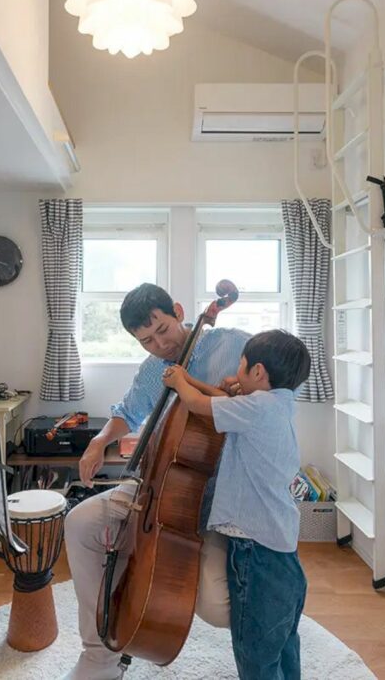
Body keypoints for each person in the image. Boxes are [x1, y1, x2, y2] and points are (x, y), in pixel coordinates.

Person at [61, 283, 249, 680]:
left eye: (162, 330)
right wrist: (98, 442)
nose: (159, 345)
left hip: (216, 494)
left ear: (178, 311)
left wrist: (241, 392)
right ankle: (101, 654)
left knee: (216, 608)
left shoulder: (234, 346)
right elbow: (128, 411)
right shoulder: (153, 370)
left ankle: (272, 622)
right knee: (79, 522)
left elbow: (279, 385)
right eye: (145, 340)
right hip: (157, 482)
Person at [162, 329, 310, 680]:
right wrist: (198, 381)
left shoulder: (257, 407)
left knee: (254, 647)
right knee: (284, 640)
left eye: (242, 366)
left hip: (253, 550)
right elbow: (222, 404)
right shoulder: (278, 403)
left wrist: (179, 380)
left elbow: (200, 406)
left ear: (258, 372)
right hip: (282, 551)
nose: (236, 374)